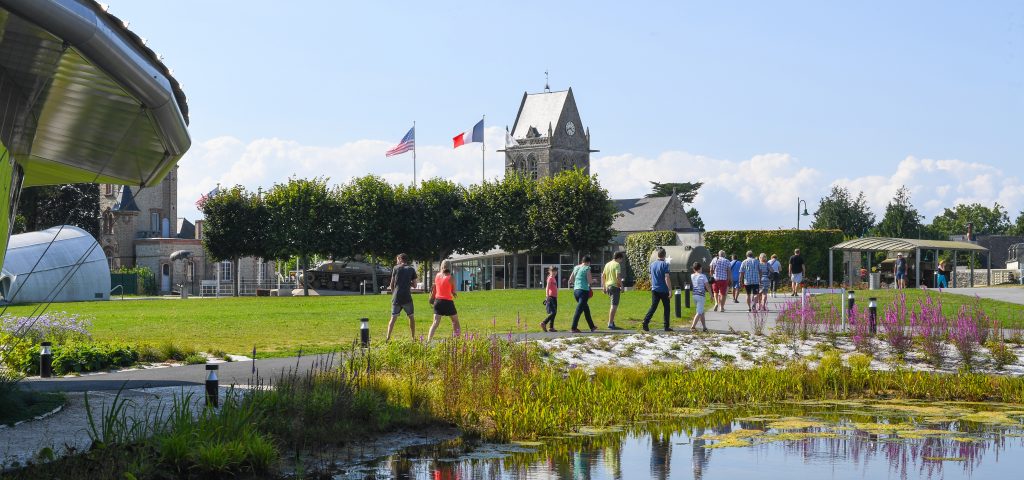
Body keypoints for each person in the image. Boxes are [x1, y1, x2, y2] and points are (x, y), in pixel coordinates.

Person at [426, 260, 460, 342]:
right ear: (450, 267)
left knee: (435, 323)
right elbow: (454, 291)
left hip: (438, 302)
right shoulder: (451, 278)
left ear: (441, 266)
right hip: (448, 302)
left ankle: (428, 340)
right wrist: (454, 293)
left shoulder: (437, 275)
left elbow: (436, 287)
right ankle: (458, 339)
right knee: (455, 322)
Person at [385, 253, 417, 342]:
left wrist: (393, 293)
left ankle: (388, 337)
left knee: (393, 318)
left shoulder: (395, 268)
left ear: (400, 259)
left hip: (397, 297)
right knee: (411, 317)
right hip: (407, 297)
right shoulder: (411, 269)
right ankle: (413, 337)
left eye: (397, 259)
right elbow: (415, 285)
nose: (396, 261)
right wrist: (407, 282)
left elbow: (391, 284)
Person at [642, 248, 674, 332]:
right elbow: (667, 278)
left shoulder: (652, 264)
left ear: (658, 255)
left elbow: (650, 276)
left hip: (655, 289)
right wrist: (670, 290)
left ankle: (645, 321)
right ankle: (666, 326)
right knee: (666, 308)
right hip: (663, 289)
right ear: (664, 255)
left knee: (653, 307)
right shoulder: (665, 264)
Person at [568, 256, 597, 333]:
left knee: (586, 309)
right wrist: (594, 280)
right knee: (579, 310)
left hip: (576, 291)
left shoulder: (576, 267)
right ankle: (573, 327)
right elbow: (590, 281)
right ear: (588, 262)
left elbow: (570, 280)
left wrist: (577, 283)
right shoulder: (587, 268)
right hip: (583, 291)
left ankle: (592, 326)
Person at [601, 252, 625, 330]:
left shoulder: (607, 264)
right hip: (614, 286)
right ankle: (610, 323)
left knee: (612, 304)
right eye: (621, 259)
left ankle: (612, 321)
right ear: (619, 258)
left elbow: (603, 276)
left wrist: (604, 287)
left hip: (608, 286)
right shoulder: (617, 264)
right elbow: (618, 277)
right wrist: (622, 286)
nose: (621, 261)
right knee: (614, 306)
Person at [690, 262, 709, 332]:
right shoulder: (703, 276)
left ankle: (704, 327)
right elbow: (707, 286)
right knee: (699, 312)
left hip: (694, 294)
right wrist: (711, 294)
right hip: (701, 295)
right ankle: (693, 326)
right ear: (700, 268)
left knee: (701, 312)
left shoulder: (692, 276)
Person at [540, 265, 559, 332]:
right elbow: (547, 288)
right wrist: (547, 296)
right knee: (553, 312)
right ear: (550, 271)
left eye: (555, 271)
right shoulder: (550, 278)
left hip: (554, 297)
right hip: (550, 297)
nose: (554, 272)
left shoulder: (554, 278)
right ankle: (544, 323)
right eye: (553, 271)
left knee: (554, 312)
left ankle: (551, 327)